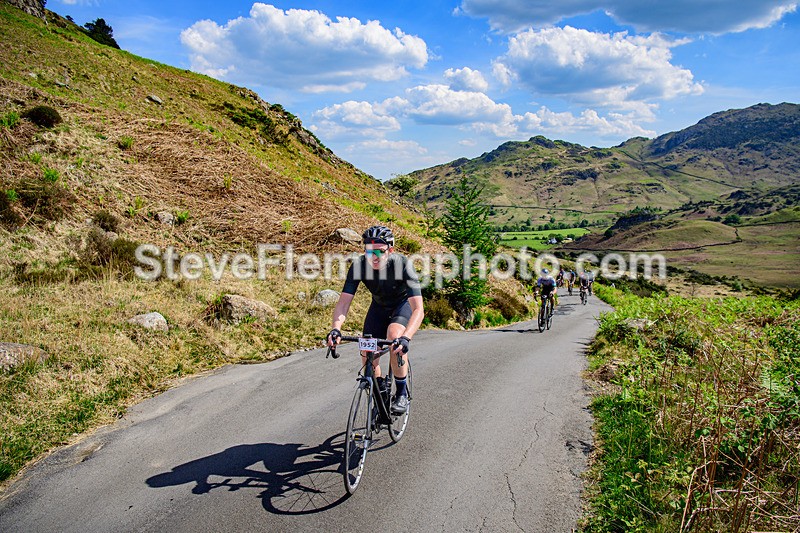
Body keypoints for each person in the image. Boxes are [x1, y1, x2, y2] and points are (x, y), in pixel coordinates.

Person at [326, 225, 424, 414]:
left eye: (380, 251)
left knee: (394, 336)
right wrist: (336, 329)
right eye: (370, 251)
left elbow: (418, 309)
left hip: (401, 306)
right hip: (378, 308)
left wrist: (406, 337)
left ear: (391, 250)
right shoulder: (359, 266)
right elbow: (344, 303)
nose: (374, 256)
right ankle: (380, 394)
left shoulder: (403, 265)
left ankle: (401, 393)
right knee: (367, 349)